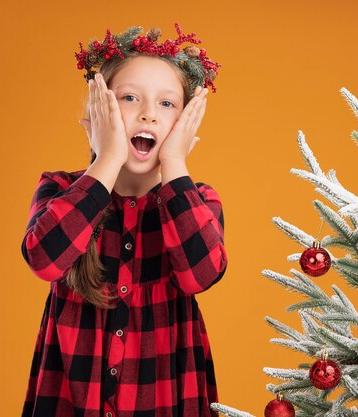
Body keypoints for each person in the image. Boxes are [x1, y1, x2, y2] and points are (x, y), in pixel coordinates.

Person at [20, 24, 227, 417]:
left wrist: (176, 166)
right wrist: (108, 159)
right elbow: (44, 260)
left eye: (167, 104)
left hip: (167, 398)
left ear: (186, 125)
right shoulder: (60, 189)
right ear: (93, 119)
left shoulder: (197, 200)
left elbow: (201, 275)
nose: (149, 112)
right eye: (129, 98)